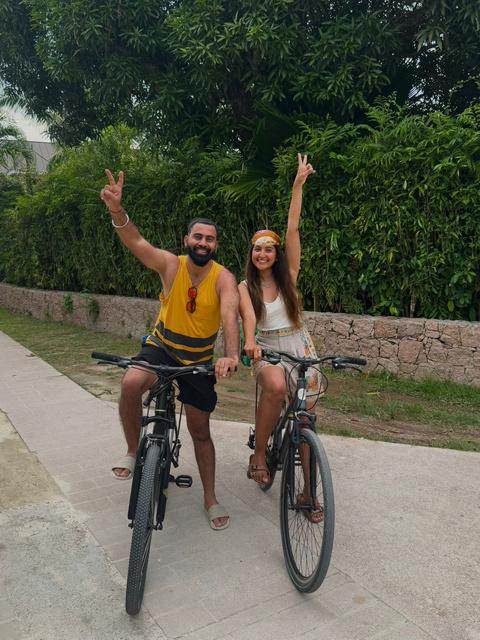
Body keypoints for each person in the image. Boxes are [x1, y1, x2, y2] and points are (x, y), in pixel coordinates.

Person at [100, 169, 239, 531]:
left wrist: (230, 354)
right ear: (187, 239)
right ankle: (133, 451)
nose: (203, 243)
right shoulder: (171, 264)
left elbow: (230, 316)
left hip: (198, 360)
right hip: (161, 348)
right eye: (198, 236)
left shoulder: (223, 277)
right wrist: (116, 210)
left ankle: (210, 498)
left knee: (200, 431)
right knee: (131, 383)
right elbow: (137, 242)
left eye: (210, 239)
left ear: (216, 245)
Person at [238, 153, 321, 498]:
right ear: (251, 254)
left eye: (268, 249)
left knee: (305, 420)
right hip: (267, 349)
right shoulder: (246, 287)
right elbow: (249, 318)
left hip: (300, 347)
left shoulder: (290, 277)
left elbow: (293, 229)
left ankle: (309, 494)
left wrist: (297, 185)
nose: (262, 254)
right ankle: (259, 454)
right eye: (257, 249)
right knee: (273, 387)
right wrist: (250, 342)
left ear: (277, 254)